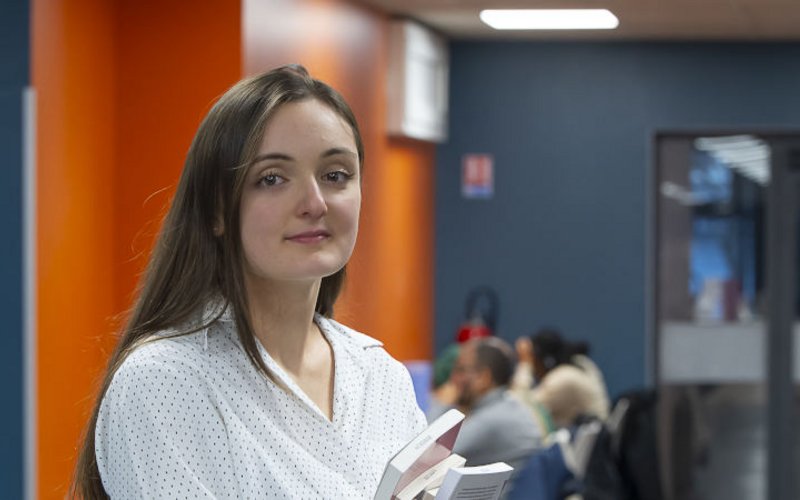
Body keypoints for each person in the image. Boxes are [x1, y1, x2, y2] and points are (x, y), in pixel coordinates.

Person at [72, 65, 427, 499]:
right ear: (218, 209)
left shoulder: (381, 376)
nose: (314, 203)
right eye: (272, 179)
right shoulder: (166, 382)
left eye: (335, 175)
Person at [431, 337, 543, 474]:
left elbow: (428, 456)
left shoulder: (494, 419)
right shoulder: (504, 406)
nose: (452, 378)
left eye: (460, 370)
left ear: (483, 378)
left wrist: (442, 403)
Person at [511, 328, 610, 430]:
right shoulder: (582, 362)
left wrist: (525, 364)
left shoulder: (563, 378)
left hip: (583, 442)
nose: (534, 367)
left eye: (533, 360)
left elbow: (518, 409)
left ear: (546, 361)